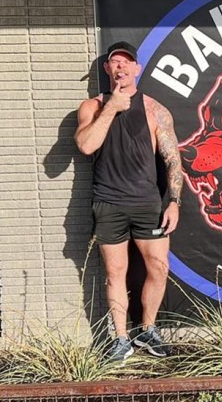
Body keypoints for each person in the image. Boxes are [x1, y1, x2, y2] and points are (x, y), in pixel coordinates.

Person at [75, 41, 183, 361]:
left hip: (147, 203)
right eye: (115, 62)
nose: (120, 66)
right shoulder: (92, 107)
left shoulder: (155, 109)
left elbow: (172, 160)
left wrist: (174, 201)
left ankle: (147, 330)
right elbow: (86, 145)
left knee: (159, 267)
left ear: (137, 68)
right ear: (107, 69)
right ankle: (121, 338)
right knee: (115, 273)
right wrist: (112, 107)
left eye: (126, 62)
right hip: (108, 202)